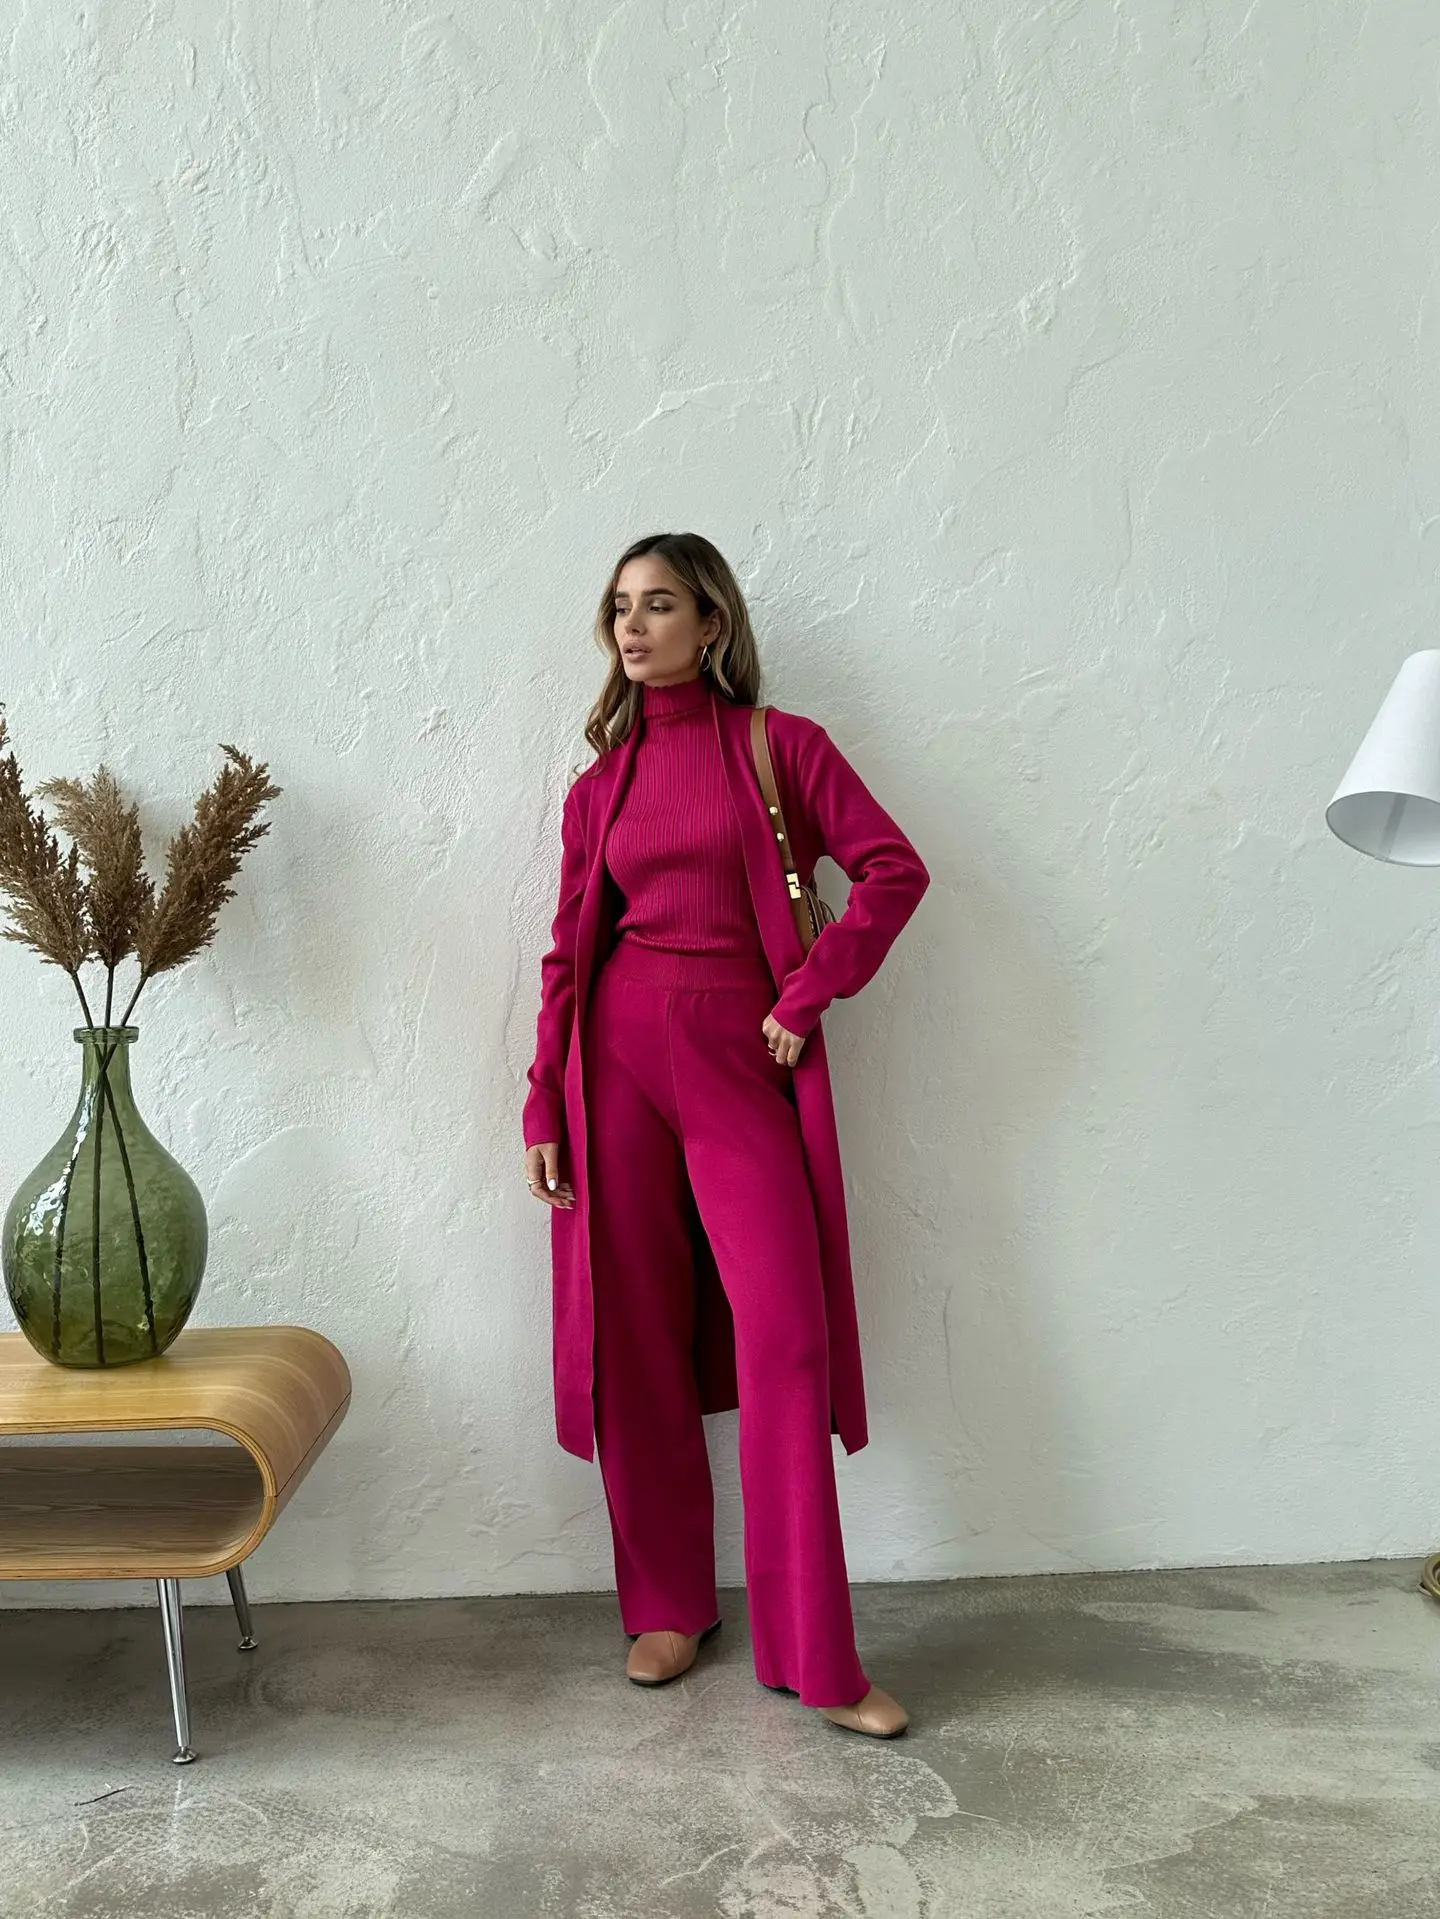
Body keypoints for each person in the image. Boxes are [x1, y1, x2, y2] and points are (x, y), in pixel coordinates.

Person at [522, 531, 930, 1738]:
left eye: (659, 604)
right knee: (636, 1331)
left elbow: (893, 870)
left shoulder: (780, 746)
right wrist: (543, 1098)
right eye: (619, 607)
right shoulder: (600, 787)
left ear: (712, 622)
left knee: (786, 1338)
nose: (632, 625)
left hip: (742, 1056)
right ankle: (666, 1604)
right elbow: (566, 952)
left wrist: (807, 996)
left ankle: (817, 1653)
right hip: (615, 1064)